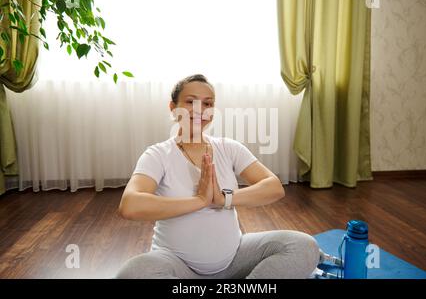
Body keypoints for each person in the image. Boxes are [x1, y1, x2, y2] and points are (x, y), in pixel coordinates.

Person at [115, 74, 320, 279]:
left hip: (235, 258)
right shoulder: (158, 155)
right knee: (134, 273)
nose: (200, 110)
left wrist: (224, 198)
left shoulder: (228, 148)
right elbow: (130, 205)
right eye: (190, 101)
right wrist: (199, 200)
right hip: (177, 266)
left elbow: (274, 187)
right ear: (172, 107)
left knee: (303, 246)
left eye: (208, 103)